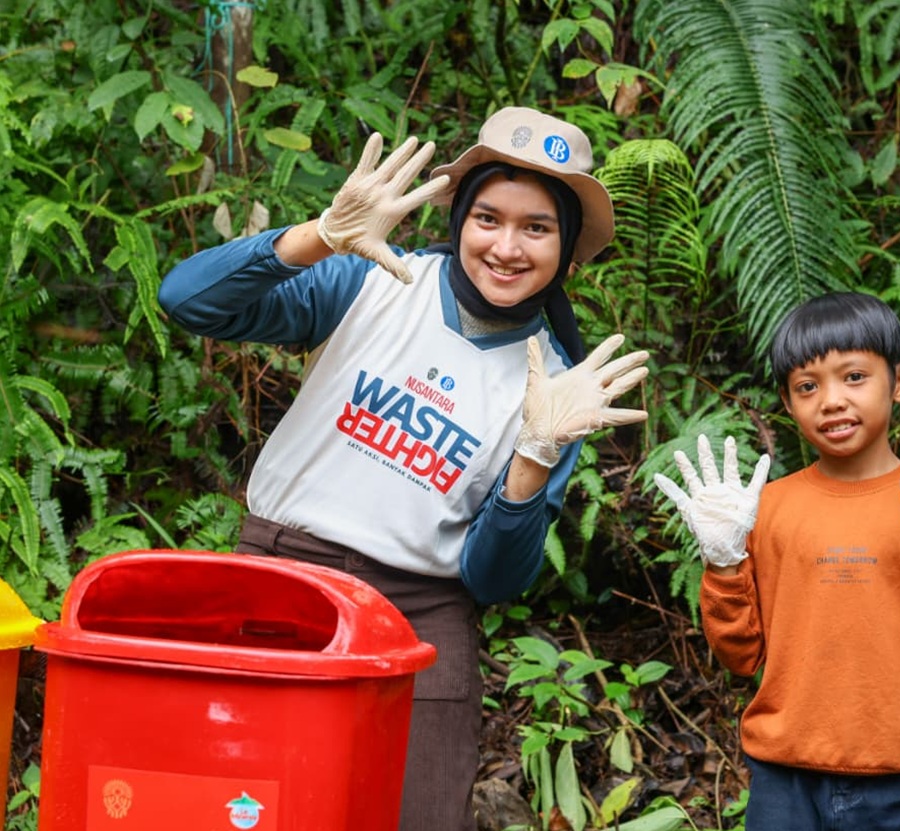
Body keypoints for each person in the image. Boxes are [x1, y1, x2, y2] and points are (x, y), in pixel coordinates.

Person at [158, 107, 650, 831]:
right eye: (488, 217)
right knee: (242, 804)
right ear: (458, 220)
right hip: (282, 574)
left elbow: (495, 579)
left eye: (537, 228)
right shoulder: (375, 280)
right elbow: (186, 299)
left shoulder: (564, 389)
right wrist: (318, 238)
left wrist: (533, 454)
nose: (506, 247)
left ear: (569, 253)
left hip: (419, 612)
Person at [653, 292, 900, 831]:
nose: (832, 400)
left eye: (855, 377)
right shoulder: (766, 509)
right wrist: (723, 564)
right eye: (807, 386)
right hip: (786, 781)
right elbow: (738, 656)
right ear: (788, 401)